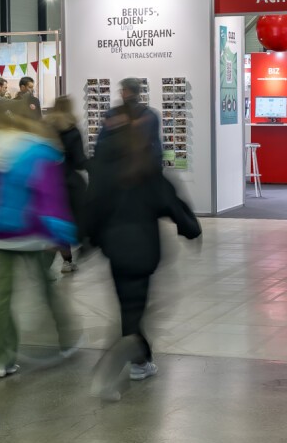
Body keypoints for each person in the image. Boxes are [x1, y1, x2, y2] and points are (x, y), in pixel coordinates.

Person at [86, 105, 201, 396]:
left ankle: (141, 359)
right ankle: (119, 364)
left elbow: (93, 208)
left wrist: (88, 241)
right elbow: (172, 204)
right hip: (144, 251)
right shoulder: (147, 168)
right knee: (135, 311)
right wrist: (190, 229)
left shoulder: (104, 170)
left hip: (116, 250)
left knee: (128, 306)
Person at [0, 99, 80, 378]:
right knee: (46, 288)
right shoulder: (37, 150)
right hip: (32, 233)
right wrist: (60, 233)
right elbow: (50, 196)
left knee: (0, 300)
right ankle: (66, 339)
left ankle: (0, 359)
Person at [44, 96, 87, 273]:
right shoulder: (72, 130)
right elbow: (78, 161)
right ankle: (67, 261)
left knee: (55, 223)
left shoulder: (45, 128)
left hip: (48, 182)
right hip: (68, 182)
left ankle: (55, 262)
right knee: (71, 221)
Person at [98, 78, 161, 168]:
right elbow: (156, 148)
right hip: (143, 170)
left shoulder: (112, 114)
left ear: (125, 91)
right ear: (138, 93)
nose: (121, 93)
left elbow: (101, 144)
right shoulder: (151, 115)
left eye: (122, 90)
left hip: (119, 170)